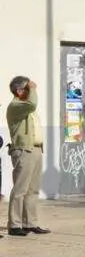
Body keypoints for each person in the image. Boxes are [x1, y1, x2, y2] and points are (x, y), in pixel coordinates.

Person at [7, 76, 48, 237]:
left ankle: (30, 223)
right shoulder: (16, 105)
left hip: (36, 150)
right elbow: (32, 103)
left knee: (33, 190)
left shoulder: (26, 107)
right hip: (24, 150)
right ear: (19, 91)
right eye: (27, 88)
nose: (30, 90)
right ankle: (15, 224)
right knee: (20, 189)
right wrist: (34, 89)